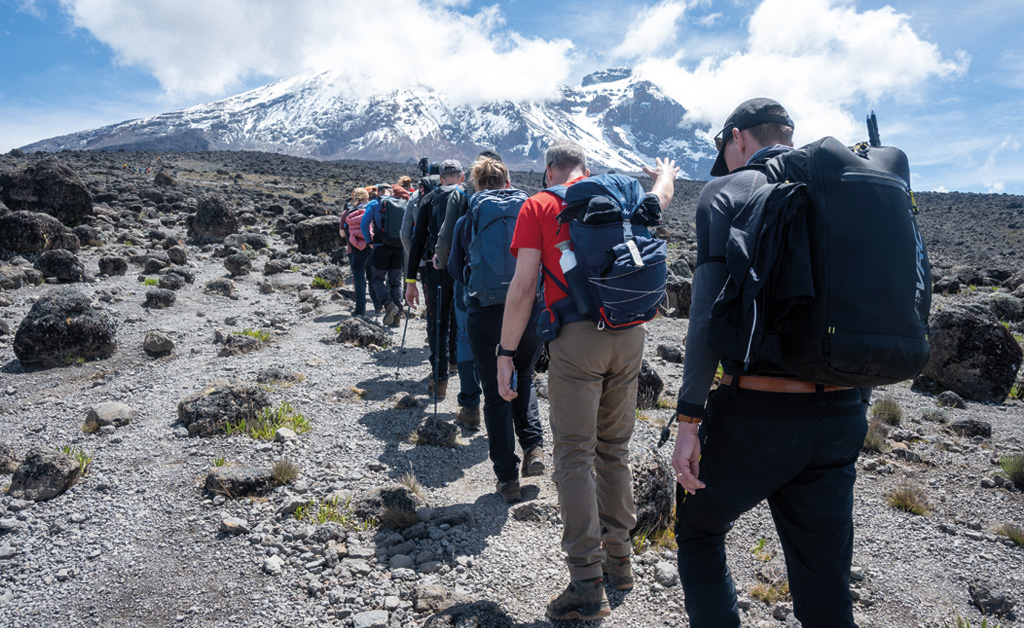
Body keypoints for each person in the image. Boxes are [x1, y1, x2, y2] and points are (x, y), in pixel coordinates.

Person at [671, 98, 869, 628]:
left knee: (698, 530)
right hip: (843, 412)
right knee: (825, 583)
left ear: (738, 138)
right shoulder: (845, 192)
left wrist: (688, 420)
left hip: (759, 414)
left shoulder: (727, 191)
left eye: (727, 151)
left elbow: (707, 319)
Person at [497, 139, 678, 621]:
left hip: (577, 340)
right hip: (630, 334)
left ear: (548, 170)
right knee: (613, 449)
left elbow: (521, 288)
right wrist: (664, 171)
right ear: (586, 168)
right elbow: (660, 199)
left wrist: (506, 353)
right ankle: (621, 563)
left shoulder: (539, 204)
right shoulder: (621, 194)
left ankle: (585, 583)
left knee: (574, 454)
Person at [447, 156, 545, 502]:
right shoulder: (529, 211)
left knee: (495, 391)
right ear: (507, 182)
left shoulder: (468, 217)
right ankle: (533, 446)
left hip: (485, 315)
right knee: (524, 376)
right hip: (529, 313)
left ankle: (507, 478)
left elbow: (457, 269)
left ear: (475, 183)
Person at [405, 160, 464, 399]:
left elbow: (417, 241)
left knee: (436, 321)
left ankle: (439, 379)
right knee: (457, 318)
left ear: (440, 179)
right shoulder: (469, 198)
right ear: (461, 177)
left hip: (433, 268)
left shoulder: (428, 200)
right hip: (461, 270)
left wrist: (410, 280)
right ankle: (455, 362)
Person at [361, 183, 404, 327]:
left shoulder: (374, 203)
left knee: (377, 279)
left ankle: (388, 303)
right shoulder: (401, 203)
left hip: (380, 247)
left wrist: (369, 242)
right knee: (396, 282)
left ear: (378, 192)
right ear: (391, 193)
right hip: (398, 248)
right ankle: (396, 318)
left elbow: (364, 224)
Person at [340, 187, 372, 316]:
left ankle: (360, 309)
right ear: (366, 198)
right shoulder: (371, 210)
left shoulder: (347, 212)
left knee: (358, 278)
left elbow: (342, 233)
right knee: (373, 277)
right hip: (370, 248)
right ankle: (378, 305)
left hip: (353, 249)